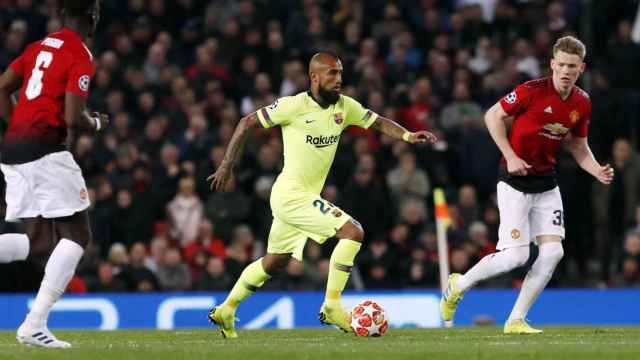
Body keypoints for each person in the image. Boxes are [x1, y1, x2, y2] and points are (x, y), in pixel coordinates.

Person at [206, 52, 436, 338]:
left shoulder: (345, 107)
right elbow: (246, 122)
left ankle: (227, 309)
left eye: (340, 73)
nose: (338, 79)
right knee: (353, 232)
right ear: (314, 77)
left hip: (299, 196)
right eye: (331, 73)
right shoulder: (293, 106)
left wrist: (407, 135)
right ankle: (332, 306)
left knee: (275, 261)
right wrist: (227, 165)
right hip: (291, 194)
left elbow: (377, 122)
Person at [440, 36, 614, 334]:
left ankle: (516, 319)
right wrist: (509, 155)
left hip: (547, 183)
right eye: (561, 65)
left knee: (553, 252)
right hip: (514, 183)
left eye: (572, 66)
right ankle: (459, 284)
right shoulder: (532, 91)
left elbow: (578, 146)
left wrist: (596, 170)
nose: (565, 71)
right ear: (552, 64)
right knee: (516, 255)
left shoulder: (582, 102)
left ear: (581, 68)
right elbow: (492, 115)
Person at [0, 0, 108, 348]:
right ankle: (34, 324)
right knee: (77, 235)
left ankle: (34, 325)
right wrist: (96, 123)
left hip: (14, 150)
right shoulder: (81, 54)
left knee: (41, 242)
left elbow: (2, 87)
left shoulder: (38, 46)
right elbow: (74, 117)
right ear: (91, 19)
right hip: (45, 149)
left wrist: (17, 125)